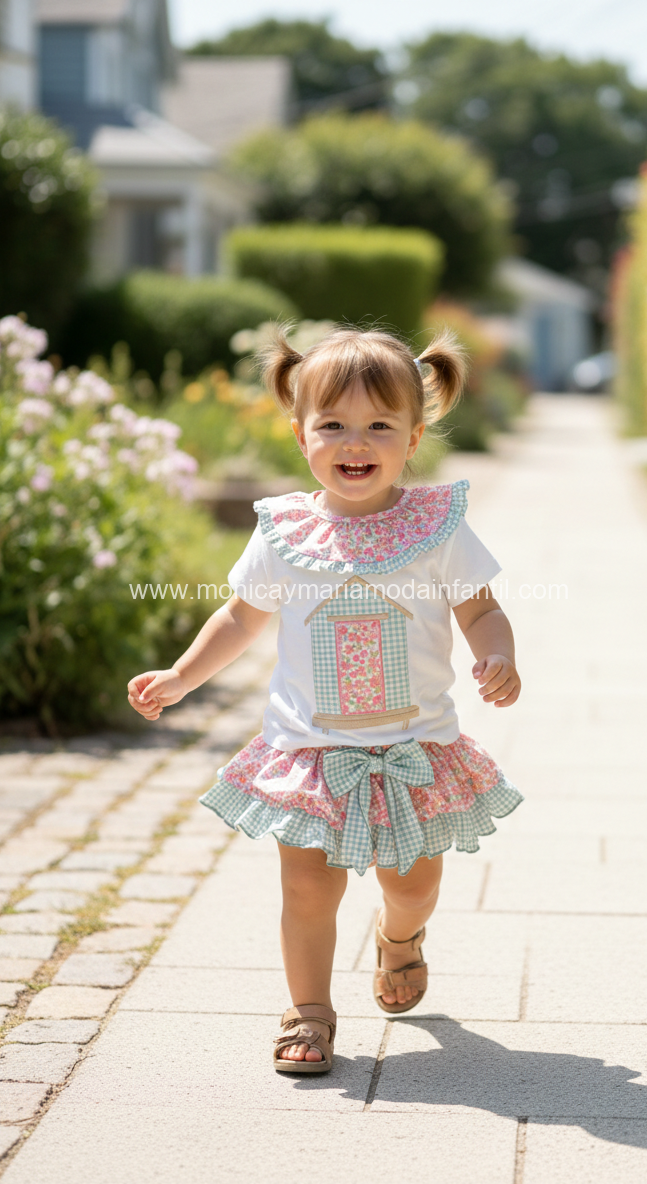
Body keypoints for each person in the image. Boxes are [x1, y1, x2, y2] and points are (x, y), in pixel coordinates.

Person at [127, 326, 523, 1074]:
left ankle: (400, 937)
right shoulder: (284, 533)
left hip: (414, 749)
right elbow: (242, 616)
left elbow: (479, 609)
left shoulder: (437, 528)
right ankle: (308, 1010)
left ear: (414, 434)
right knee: (308, 886)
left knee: (414, 883)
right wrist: (182, 676)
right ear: (300, 431)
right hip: (309, 751)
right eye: (333, 424)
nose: (356, 441)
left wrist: (496, 652)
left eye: (380, 425)